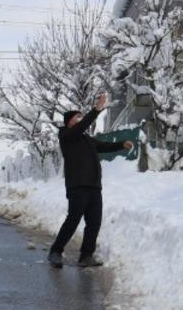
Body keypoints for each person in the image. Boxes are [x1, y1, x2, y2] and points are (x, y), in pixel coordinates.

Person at [48, 93, 134, 269]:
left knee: (94, 222)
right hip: (77, 186)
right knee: (73, 220)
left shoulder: (87, 139)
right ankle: (55, 251)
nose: (80, 120)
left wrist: (121, 144)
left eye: (81, 117)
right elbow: (81, 127)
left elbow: (103, 146)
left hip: (94, 187)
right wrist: (96, 110)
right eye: (77, 117)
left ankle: (86, 255)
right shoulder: (66, 136)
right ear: (70, 121)